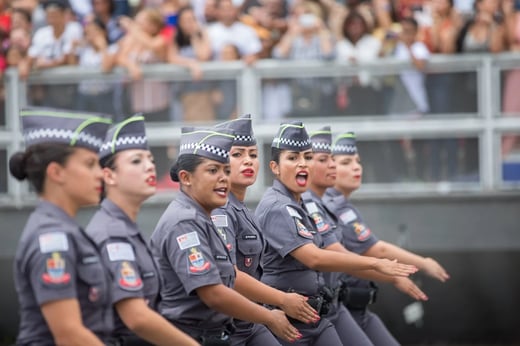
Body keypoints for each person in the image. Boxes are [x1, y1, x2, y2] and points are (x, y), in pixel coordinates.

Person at [254, 121, 418, 346]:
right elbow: (315, 257)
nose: (303, 164)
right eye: (293, 158)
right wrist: (375, 265)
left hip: (319, 315)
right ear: (275, 167)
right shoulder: (278, 206)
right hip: (290, 321)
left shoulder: (300, 204)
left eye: (308, 157)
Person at [150, 126, 302, 345]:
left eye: (225, 170)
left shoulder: (203, 216)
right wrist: (271, 313)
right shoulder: (186, 222)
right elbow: (214, 293)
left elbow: (227, 273)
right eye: (213, 171)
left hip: (227, 330)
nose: (223, 178)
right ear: (186, 178)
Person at [304, 127, 429, 346]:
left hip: (345, 309)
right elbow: (367, 250)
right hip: (324, 312)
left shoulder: (330, 206)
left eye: (357, 162)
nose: (355, 168)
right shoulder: (311, 206)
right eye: (344, 162)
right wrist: (411, 267)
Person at [85, 115, 199, 346]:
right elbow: (137, 318)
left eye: (150, 159)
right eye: (137, 161)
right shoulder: (112, 233)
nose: (149, 166)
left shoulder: (126, 228)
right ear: (109, 175)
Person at [212, 114, 319, 346]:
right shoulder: (220, 212)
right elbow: (230, 275)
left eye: (252, 154)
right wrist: (280, 301)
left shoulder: (243, 210)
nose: (248, 161)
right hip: (231, 330)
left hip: (251, 323)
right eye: (237, 154)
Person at [10, 107, 113, 345]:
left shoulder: (66, 230)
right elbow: (69, 334)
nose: (101, 174)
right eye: (89, 165)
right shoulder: (52, 238)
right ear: (56, 172)